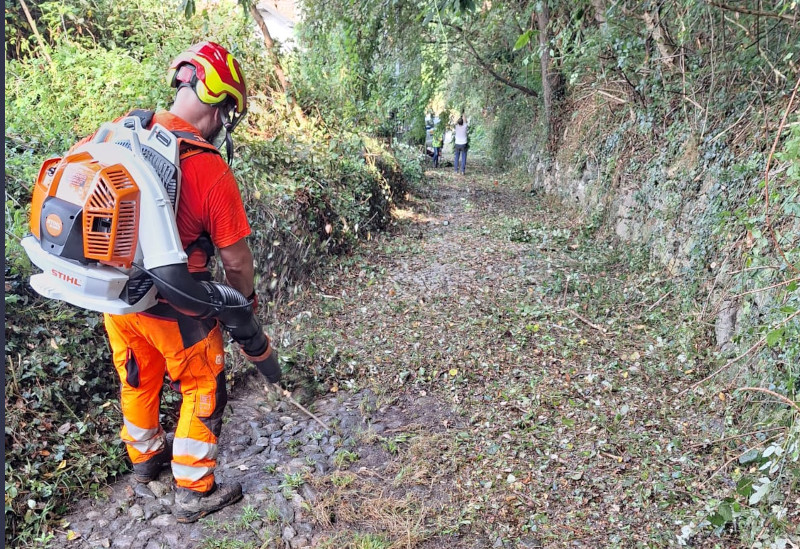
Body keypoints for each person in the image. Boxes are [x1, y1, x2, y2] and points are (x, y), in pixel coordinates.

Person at [85, 42, 266, 523]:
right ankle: (193, 487)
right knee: (204, 384)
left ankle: (144, 462)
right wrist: (244, 304)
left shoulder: (123, 129)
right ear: (222, 105)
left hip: (118, 297)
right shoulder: (208, 165)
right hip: (177, 306)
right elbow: (236, 259)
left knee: (136, 377)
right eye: (229, 112)